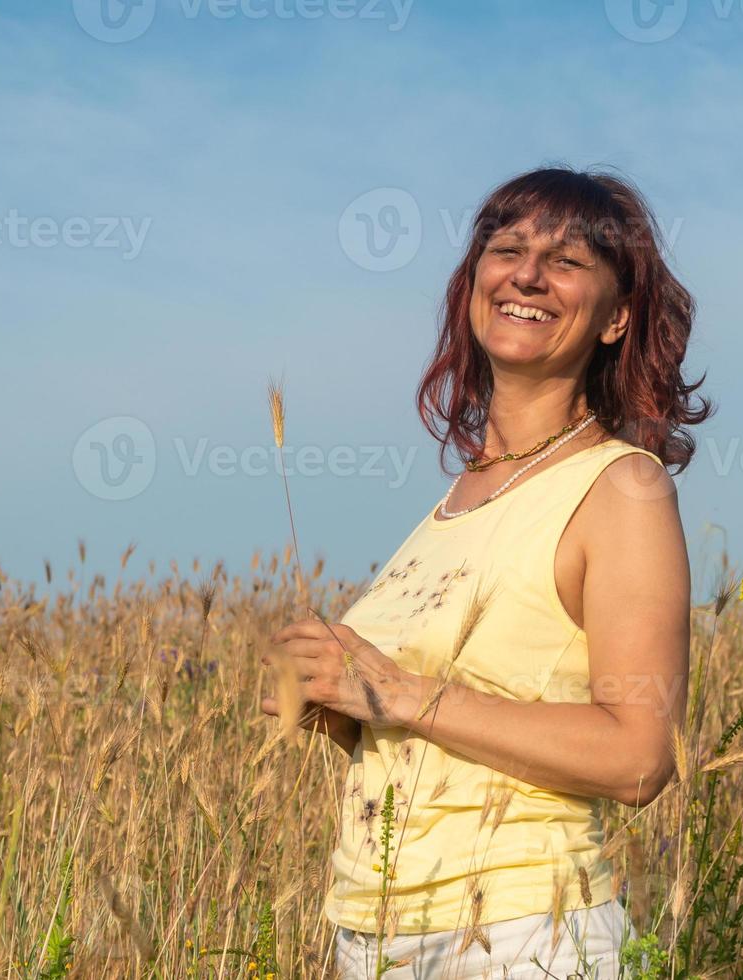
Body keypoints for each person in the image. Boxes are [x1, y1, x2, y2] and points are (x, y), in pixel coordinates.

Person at [261, 165, 710, 978]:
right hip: (369, 933)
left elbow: (640, 756)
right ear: (473, 288)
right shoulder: (452, 504)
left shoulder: (620, 487)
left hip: (519, 935)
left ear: (616, 318)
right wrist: (338, 705)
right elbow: (436, 731)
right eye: (505, 249)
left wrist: (398, 692)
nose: (528, 274)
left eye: (568, 261)